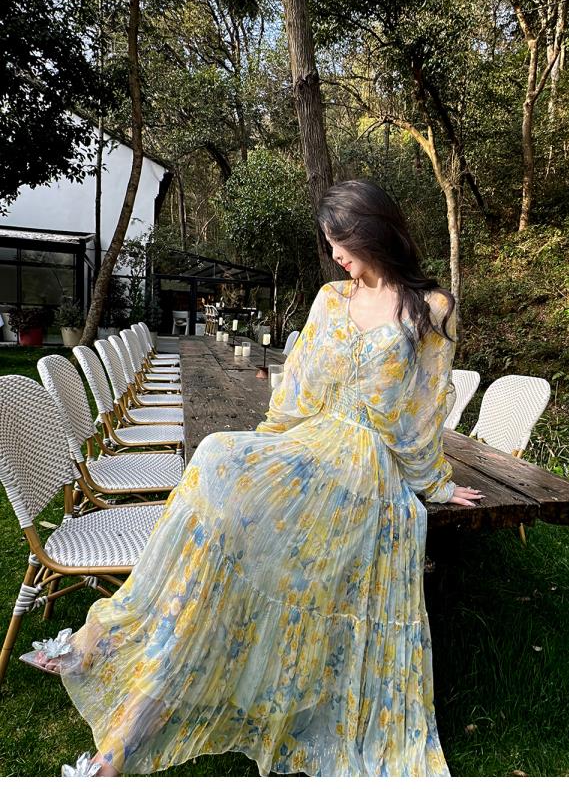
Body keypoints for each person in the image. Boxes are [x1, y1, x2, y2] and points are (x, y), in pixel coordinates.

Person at [27, 179, 484, 777]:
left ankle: (119, 694)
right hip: (310, 443)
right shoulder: (330, 299)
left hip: (366, 465)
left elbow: (422, 414)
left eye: (341, 242)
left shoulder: (432, 308)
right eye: (330, 243)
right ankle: (124, 681)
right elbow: (298, 389)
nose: (335, 255)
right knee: (219, 465)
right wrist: (266, 450)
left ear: (372, 232)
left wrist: (437, 484)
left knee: (222, 508)